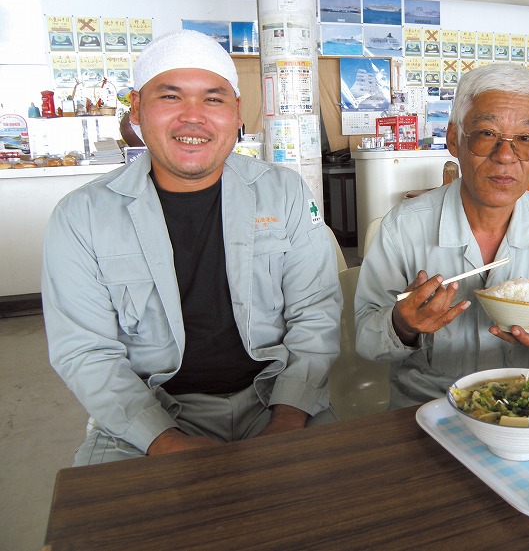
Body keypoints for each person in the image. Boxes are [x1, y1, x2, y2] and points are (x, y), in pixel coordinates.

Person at [41, 30, 342, 465]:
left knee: (339, 519)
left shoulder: (284, 192)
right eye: (171, 97)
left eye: (214, 99)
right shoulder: (81, 216)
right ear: (138, 110)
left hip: (278, 398)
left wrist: (288, 418)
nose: (193, 117)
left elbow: (315, 313)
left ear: (237, 114)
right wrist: (166, 441)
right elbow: (85, 352)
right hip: (145, 416)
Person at [354, 63, 529, 409]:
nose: (505, 157)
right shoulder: (402, 227)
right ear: (454, 139)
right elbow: (365, 338)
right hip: (427, 407)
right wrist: (402, 324)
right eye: (487, 134)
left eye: (525, 140)